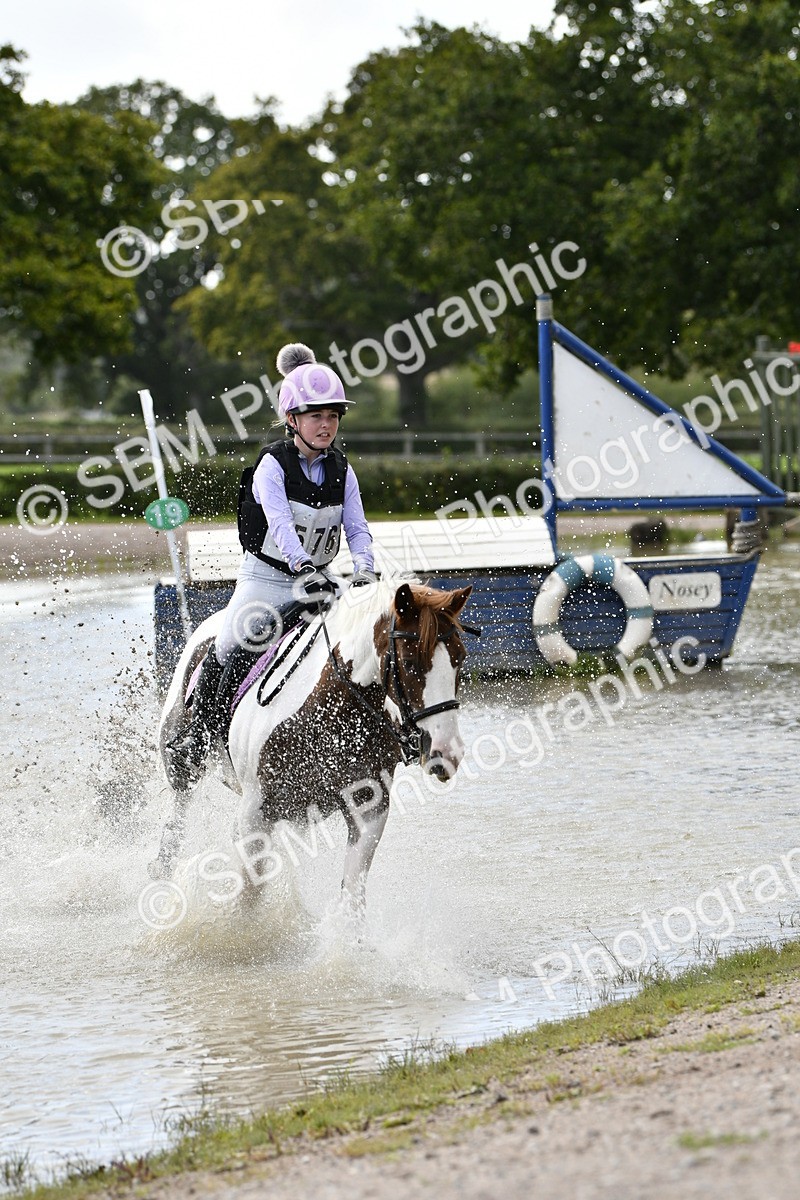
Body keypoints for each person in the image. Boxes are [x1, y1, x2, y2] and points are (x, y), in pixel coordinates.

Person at [167, 342, 375, 789]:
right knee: (227, 651)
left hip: (319, 582)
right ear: (293, 420)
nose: (326, 425)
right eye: (316, 416)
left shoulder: (344, 470)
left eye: (333, 416)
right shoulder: (270, 465)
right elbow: (280, 525)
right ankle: (196, 737)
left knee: (363, 648)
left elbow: (357, 528)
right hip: (267, 582)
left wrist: (365, 569)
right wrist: (302, 567)